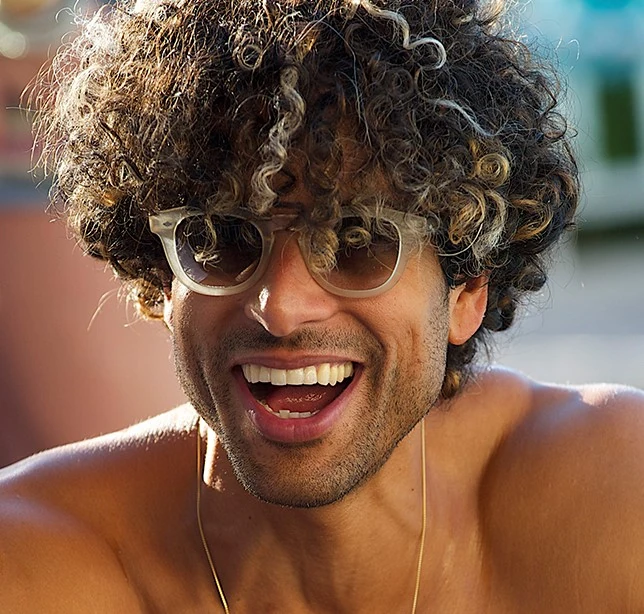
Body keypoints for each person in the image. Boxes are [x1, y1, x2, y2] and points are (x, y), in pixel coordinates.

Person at [2, 0, 643, 611]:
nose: (280, 307)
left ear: (468, 289)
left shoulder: (615, 499)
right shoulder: (33, 565)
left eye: (357, 242)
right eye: (222, 240)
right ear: (162, 283)